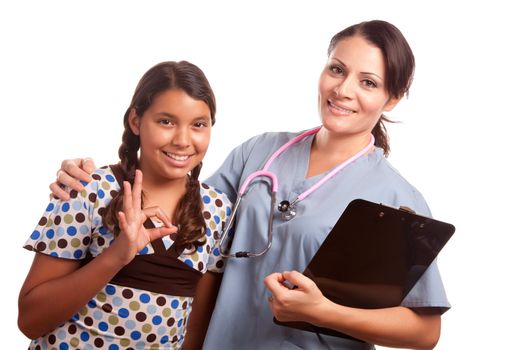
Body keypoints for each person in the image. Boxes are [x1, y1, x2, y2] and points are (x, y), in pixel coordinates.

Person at [48, 20, 449, 350]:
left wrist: (321, 311)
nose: (343, 90)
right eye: (337, 69)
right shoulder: (260, 152)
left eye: (368, 82)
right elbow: (180, 215)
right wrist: (93, 177)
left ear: (392, 99)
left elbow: (423, 331)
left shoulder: (397, 198)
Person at [18, 61, 231, 350]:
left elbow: (195, 330)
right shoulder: (89, 189)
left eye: (198, 125)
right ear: (135, 121)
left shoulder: (217, 210)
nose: (182, 140)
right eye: (166, 121)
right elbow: (30, 320)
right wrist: (117, 255)